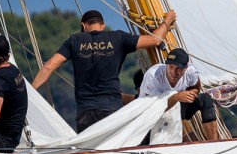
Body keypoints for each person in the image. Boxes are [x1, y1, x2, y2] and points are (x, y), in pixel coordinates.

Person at [32, 8, 176, 132]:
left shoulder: (74, 41)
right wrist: (167, 20)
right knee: (115, 151)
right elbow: (155, 40)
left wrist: (31, 92)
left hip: (86, 110)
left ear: (83, 25)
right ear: (103, 25)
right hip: (112, 107)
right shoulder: (117, 37)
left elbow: (48, 66)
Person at [138, 47, 220, 140]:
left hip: (176, 108)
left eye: (178, 68)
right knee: (143, 141)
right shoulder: (153, 75)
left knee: (205, 99)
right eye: (171, 67)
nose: (173, 72)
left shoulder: (191, 71)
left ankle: (214, 142)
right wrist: (177, 97)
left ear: (185, 68)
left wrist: (189, 94)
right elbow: (152, 108)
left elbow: (196, 87)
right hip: (151, 115)